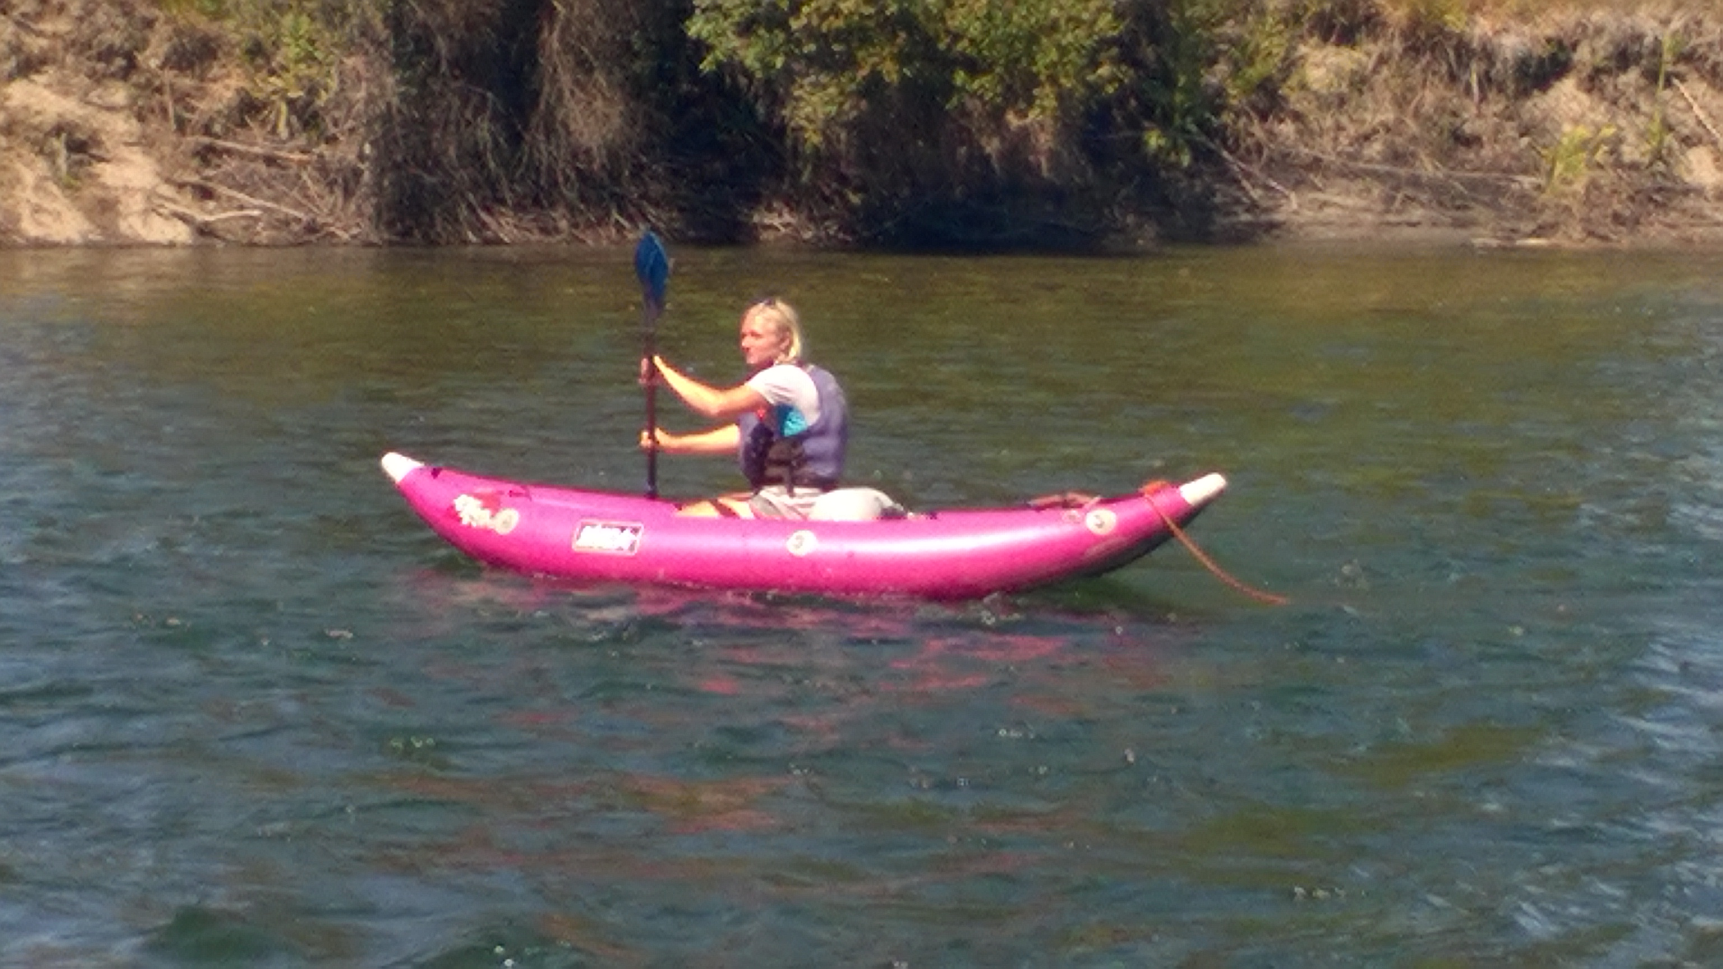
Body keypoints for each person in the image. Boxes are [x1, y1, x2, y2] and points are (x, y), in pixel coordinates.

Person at [640, 297, 849, 518]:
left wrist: (662, 371)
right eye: (743, 336)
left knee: (684, 521)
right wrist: (674, 444)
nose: (745, 344)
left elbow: (716, 406)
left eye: (755, 336)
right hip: (808, 496)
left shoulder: (783, 379)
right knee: (719, 501)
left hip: (790, 503)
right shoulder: (812, 377)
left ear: (784, 340)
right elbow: (745, 434)